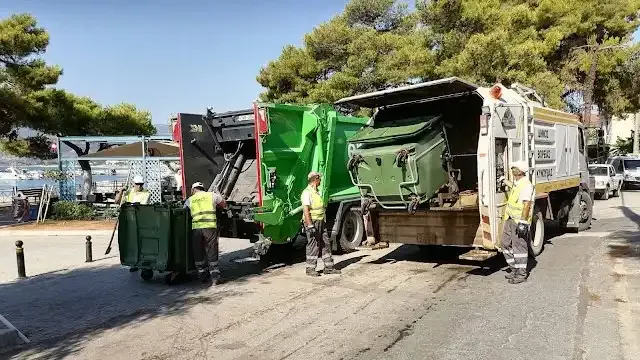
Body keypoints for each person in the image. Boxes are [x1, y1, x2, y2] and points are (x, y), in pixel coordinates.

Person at [184, 182, 226, 285]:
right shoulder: (212, 195)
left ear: (194, 190)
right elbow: (224, 205)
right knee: (211, 250)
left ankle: (202, 275)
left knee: (198, 251)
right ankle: (215, 277)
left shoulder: (190, 200)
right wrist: (219, 195)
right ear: (203, 188)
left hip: (197, 229)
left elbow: (184, 211)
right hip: (210, 227)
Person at [499, 160, 533, 284]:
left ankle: (521, 274)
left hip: (519, 221)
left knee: (519, 247)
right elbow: (513, 187)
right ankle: (514, 268)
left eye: (514, 169)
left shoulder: (526, 185)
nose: (512, 170)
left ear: (519, 171)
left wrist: (523, 222)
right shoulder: (518, 183)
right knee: (505, 243)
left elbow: (526, 205)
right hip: (510, 218)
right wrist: (504, 181)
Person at [302, 171, 341, 277]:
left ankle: (329, 267)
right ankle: (310, 269)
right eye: (319, 179)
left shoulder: (316, 192)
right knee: (314, 245)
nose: (320, 181)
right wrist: (310, 225)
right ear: (315, 179)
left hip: (320, 221)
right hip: (313, 222)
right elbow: (306, 210)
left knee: (325, 243)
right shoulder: (307, 192)